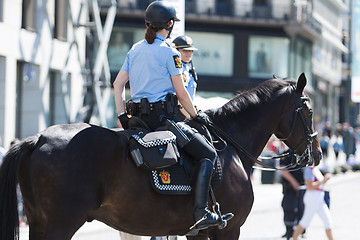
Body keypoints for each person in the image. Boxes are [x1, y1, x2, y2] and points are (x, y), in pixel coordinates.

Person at [113, 1, 232, 231]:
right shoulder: (169, 51)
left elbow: (118, 85)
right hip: (163, 121)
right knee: (207, 153)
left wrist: (122, 117)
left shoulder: (135, 49)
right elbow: (181, 93)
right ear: (168, 24)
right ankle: (199, 212)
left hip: (137, 121)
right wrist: (196, 116)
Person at [292, 167, 334, 240]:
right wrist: (323, 180)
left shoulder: (315, 169)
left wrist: (324, 180)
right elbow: (309, 186)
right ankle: (294, 238)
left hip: (319, 198)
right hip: (312, 198)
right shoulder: (309, 170)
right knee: (305, 221)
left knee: (328, 221)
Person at [280, 154, 305, 240]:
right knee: (289, 209)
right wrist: (294, 183)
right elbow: (283, 169)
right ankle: (289, 232)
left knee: (302, 209)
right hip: (290, 188)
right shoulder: (286, 154)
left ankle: (301, 231)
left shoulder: (303, 152)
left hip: (302, 188)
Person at [172, 35, 198, 101]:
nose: (189, 53)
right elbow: (179, 96)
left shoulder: (187, 68)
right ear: (176, 51)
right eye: (184, 50)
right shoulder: (176, 69)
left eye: (190, 50)